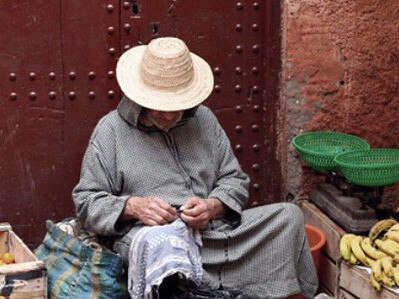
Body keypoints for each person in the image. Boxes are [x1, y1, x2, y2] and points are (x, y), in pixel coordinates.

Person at [72, 37, 318, 298]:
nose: (168, 114)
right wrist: (132, 207)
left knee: (289, 217)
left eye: (175, 105)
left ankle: (218, 291)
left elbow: (234, 179)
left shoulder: (205, 120)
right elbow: (87, 202)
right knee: (161, 247)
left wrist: (213, 206)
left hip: (213, 236)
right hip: (155, 241)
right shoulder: (111, 131)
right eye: (159, 105)